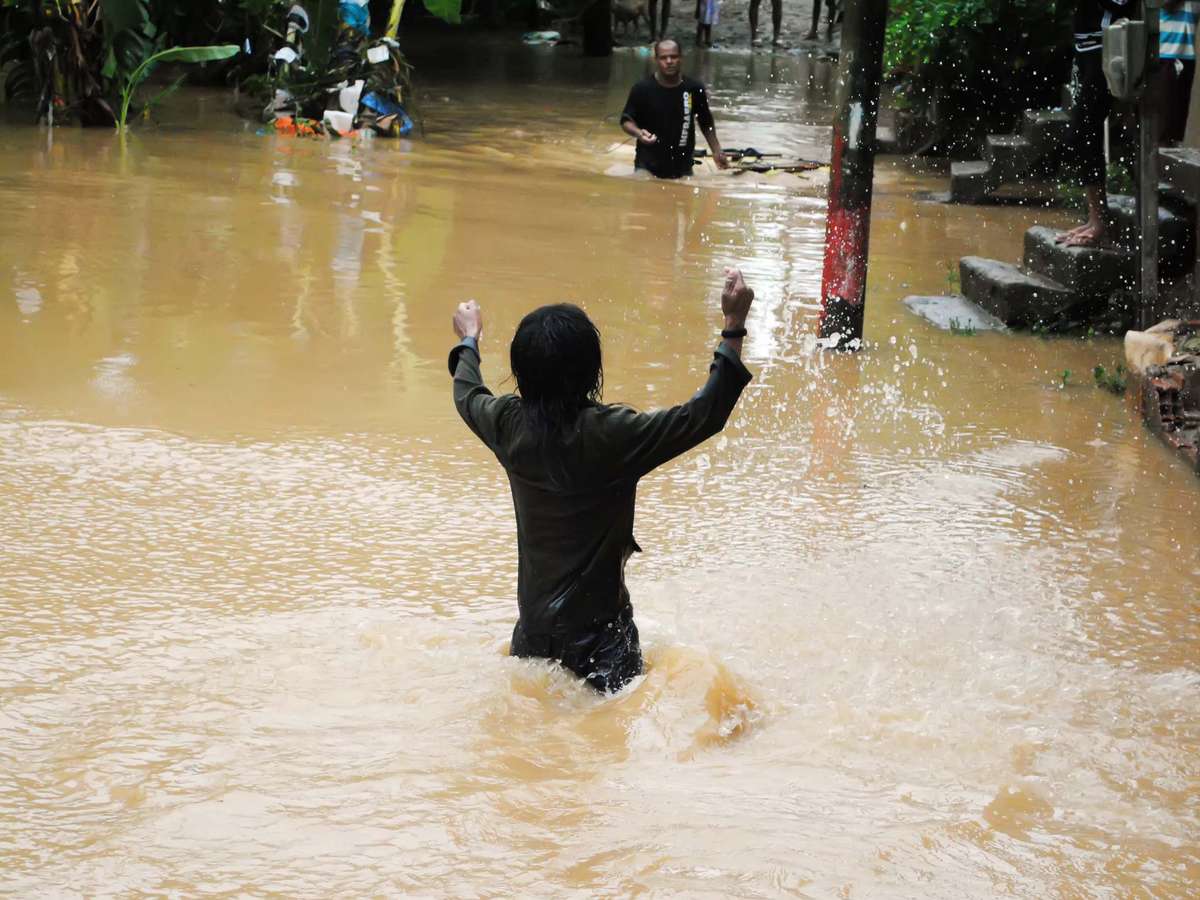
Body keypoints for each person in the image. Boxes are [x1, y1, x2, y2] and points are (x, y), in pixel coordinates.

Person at [447, 268, 756, 693]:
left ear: (521, 373)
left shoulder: (506, 426)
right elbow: (704, 414)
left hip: (533, 637)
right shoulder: (615, 435)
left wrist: (469, 339)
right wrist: (734, 324)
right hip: (605, 645)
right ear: (592, 371)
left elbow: (467, 393)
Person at [1056, 0, 1133, 248]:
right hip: (1085, 48)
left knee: (1083, 133)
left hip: (1107, 48)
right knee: (1085, 136)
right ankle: (1095, 219)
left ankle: (1100, 223)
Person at [620, 40, 728, 178]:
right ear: (656, 60)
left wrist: (717, 150)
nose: (669, 61)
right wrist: (639, 133)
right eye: (663, 58)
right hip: (647, 166)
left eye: (674, 56)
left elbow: (706, 122)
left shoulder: (694, 88)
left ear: (681, 58)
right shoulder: (642, 89)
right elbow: (626, 120)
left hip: (683, 168)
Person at [1158, 0, 1197, 145]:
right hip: (1165, 53)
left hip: (1187, 54)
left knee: (1178, 123)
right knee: (1165, 120)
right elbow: (1166, 4)